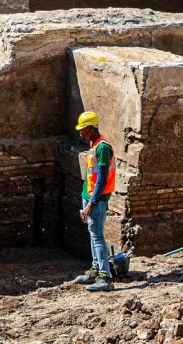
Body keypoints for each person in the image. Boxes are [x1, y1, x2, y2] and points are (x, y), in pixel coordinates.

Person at [73, 111, 116, 292]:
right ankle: (95, 269)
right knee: (92, 234)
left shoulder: (103, 148)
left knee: (97, 235)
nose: (80, 133)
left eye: (82, 130)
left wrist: (92, 203)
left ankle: (104, 277)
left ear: (91, 128)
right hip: (89, 196)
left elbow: (102, 179)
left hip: (96, 199)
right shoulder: (94, 145)